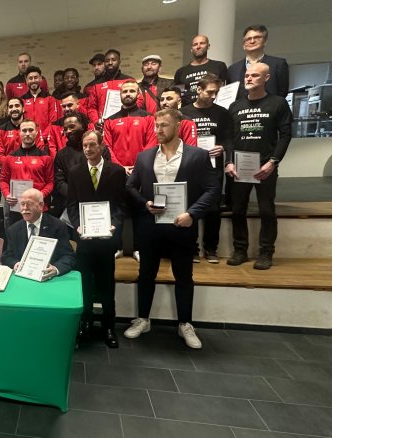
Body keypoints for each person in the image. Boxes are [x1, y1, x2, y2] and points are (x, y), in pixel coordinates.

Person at [123, 109, 218, 349]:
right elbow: (130, 186)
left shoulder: (197, 156)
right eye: (156, 126)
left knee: (184, 276)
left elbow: (212, 190)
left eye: (164, 125)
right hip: (150, 227)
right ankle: (143, 319)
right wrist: (145, 203)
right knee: (146, 274)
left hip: (181, 225)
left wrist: (192, 214)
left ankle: (185, 323)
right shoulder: (144, 157)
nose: (158, 130)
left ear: (178, 125)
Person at [224, 62, 292, 270]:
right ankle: (240, 250)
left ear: (266, 78)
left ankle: (265, 253)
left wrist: (273, 162)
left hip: (265, 167)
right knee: (237, 210)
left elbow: (286, 135)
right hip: (239, 167)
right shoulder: (235, 106)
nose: (249, 78)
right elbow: (228, 138)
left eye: (255, 75)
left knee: (266, 211)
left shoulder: (278, 103)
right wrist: (228, 162)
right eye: (247, 75)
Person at [66, 130, 127, 348]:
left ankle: (109, 326)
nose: (89, 149)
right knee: (84, 285)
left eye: (93, 144)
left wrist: (114, 224)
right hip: (84, 239)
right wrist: (78, 224)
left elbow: (121, 206)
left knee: (106, 284)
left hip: (107, 239)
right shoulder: (75, 172)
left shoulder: (117, 171)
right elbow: (72, 205)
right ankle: (86, 324)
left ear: (102, 146)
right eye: (85, 146)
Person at [180, 74, 232, 263]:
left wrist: (223, 147)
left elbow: (228, 137)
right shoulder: (184, 112)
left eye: (216, 92)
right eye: (209, 91)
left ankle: (211, 249)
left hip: (213, 167)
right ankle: (192, 248)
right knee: (190, 207)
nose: (213, 95)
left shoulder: (222, 112)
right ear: (199, 90)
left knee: (213, 208)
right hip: (190, 166)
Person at [1, 188, 75, 281]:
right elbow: (6, 257)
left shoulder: (58, 226)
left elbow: (68, 256)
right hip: (22, 279)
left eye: (29, 204)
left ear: (41, 205)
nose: (25, 208)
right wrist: (15, 264)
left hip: (49, 279)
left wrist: (56, 269)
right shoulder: (13, 229)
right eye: (22, 204)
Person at [0, 119, 53, 228]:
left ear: (37, 132)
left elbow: (50, 182)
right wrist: (7, 194)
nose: (27, 133)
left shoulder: (46, 158)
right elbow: (3, 180)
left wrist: (41, 194)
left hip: (38, 206)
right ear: (19, 132)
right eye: (24, 130)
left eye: (30, 130)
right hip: (17, 207)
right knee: (18, 240)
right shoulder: (10, 158)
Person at [102, 80, 156, 169]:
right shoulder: (109, 120)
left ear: (138, 94)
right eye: (125, 91)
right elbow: (107, 147)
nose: (128, 94)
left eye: (132, 91)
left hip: (142, 168)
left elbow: (152, 143)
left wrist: (138, 165)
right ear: (120, 94)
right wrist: (119, 167)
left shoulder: (149, 118)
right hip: (117, 170)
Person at [227, 24, 290, 99]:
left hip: (270, 108)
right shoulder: (233, 69)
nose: (252, 41)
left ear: (265, 41)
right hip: (240, 109)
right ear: (243, 45)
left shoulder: (278, 64)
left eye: (257, 38)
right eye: (248, 39)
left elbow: (282, 92)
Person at [174, 35, 229, 104]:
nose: (198, 46)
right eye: (195, 44)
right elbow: (178, 95)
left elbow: (224, 90)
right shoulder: (181, 72)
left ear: (208, 46)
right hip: (188, 111)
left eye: (202, 43)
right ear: (191, 49)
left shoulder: (219, 66)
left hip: (213, 109)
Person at [20, 66, 59, 133]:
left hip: (45, 140)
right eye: (30, 78)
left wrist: (42, 137)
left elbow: (53, 122)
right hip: (27, 138)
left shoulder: (50, 99)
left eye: (36, 77)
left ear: (40, 79)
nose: (33, 81)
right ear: (26, 81)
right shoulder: (22, 100)